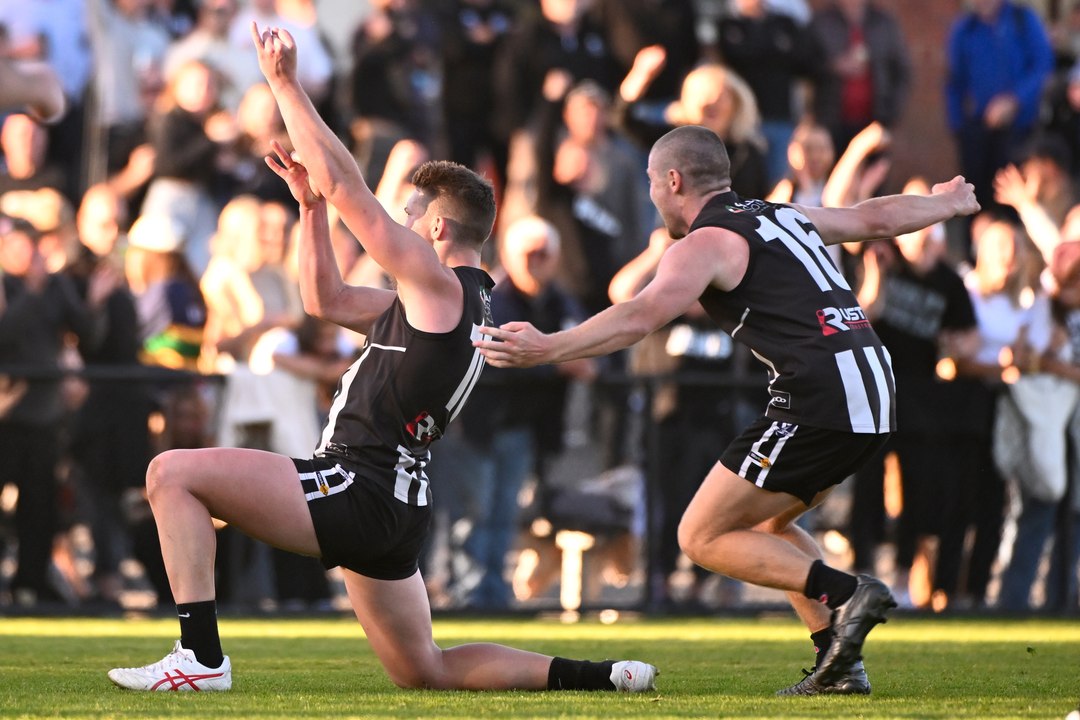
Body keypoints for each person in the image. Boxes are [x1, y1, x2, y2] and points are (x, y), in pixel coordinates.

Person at [106, 24, 657, 694]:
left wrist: (283, 83)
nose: (397, 224)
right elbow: (326, 298)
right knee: (424, 670)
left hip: (356, 483)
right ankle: (602, 676)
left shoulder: (435, 283)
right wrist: (310, 212)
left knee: (171, 473)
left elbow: (346, 183)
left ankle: (200, 656)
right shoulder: (454, 303)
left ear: (435, 229)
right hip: (396, 506)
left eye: (409, 214)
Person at [476, 125, 981, 695]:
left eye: (650, 183)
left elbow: (639, 317)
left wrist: (546, 347)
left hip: (821, 395)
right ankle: (839, 664)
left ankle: (849, 593)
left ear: (673, 181)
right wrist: (945, 204)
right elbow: (874, 218)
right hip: (872, 385)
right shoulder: (780, 215)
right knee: (767, 527)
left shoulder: (706, 242)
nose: (650, 196)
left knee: (701, 536)